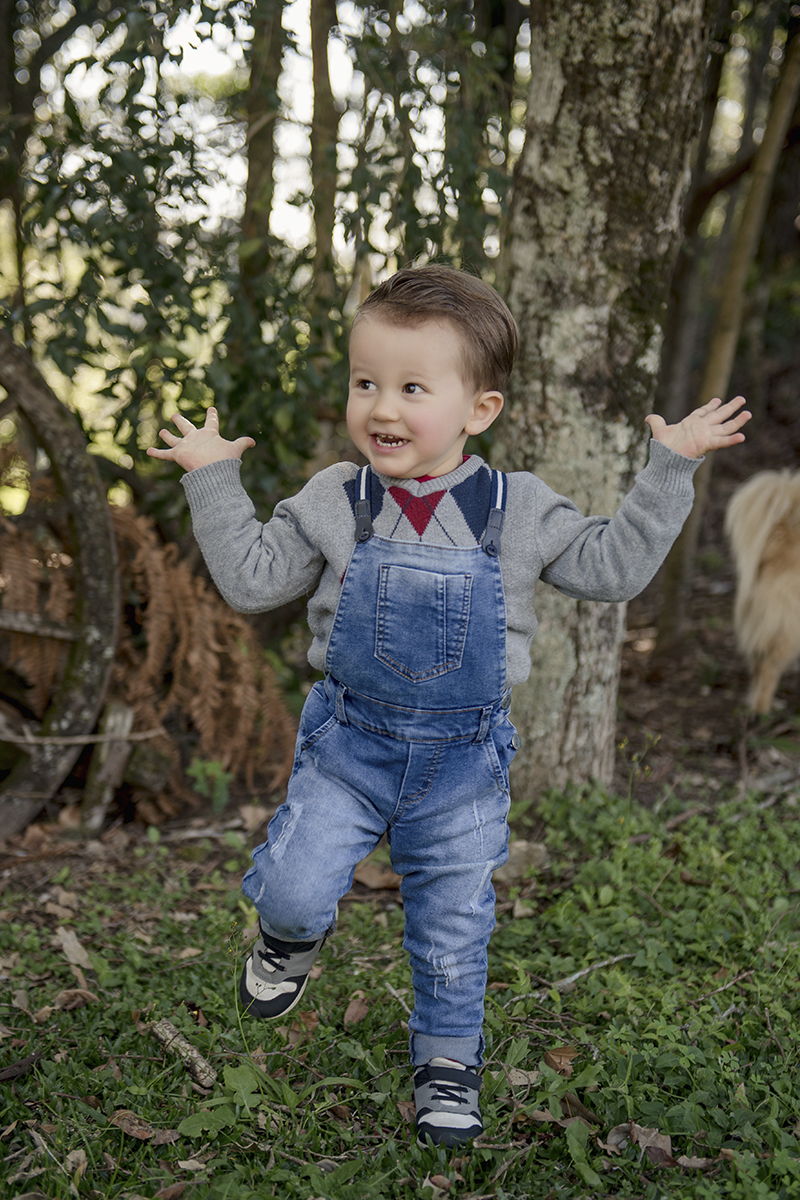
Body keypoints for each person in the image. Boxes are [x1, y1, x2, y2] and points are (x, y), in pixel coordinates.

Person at [147, 265, 750, 1148]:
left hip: (463, 764)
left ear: (481, 410)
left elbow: (615, 570)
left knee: (453, 927)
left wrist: (671, 469)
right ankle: (287, 938)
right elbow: (250, 581)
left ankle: (446, 1058)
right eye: (366, 383)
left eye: (412, 388)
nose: (381, 408)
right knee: (290, 887)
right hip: (350, 746)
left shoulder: (520, 510)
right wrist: (210, 479)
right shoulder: (334, 498)